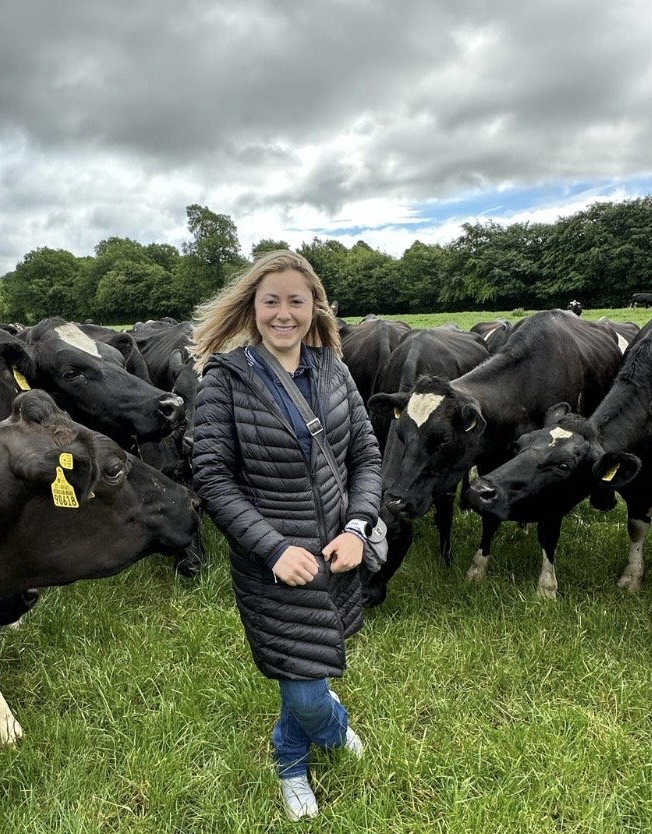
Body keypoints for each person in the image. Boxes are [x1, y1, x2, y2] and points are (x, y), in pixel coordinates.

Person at [191, 250, 383, 820]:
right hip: (273, 564)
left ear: (313, 306)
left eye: (295, 301)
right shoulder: (223, 380)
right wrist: (272, 548)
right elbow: (212, 477)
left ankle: (303, 734)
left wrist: (356, 528)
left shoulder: (334, 371)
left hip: (337, 556)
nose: (283, 313)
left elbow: (367, 460)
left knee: (308, 668)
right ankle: (301, 753)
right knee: (303, 687)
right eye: (270, 300)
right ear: (252, 307)